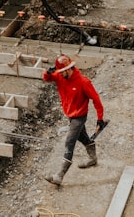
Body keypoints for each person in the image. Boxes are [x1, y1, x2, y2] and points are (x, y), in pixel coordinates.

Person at [42, 54, 106, 185]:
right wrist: (47, 72)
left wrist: (100, 119)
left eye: (61, 72)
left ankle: (59, 176)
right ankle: (93, 158)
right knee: (82, 137)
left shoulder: (83, 82)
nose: (59, 74)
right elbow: (47, 78)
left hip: (79, 117)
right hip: (70, 115)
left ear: (69, 69)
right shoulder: (61, 77)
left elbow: (96, 100)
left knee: (69, 142)